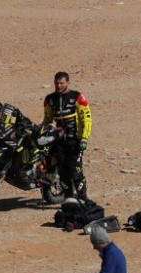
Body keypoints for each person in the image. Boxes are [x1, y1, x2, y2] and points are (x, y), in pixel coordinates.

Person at [43, 71, 92, 200]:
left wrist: (84, 138)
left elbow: (86, 119)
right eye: (56, 83)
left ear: (67, 83)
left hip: (75, 140)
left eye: (61, 83)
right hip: (58, 141)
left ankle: (83, 200)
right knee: (63, 173)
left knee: (76, 172)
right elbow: (47, 119)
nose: (58, 85)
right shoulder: (49, 99)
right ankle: (69, 200)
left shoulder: (77, 96)